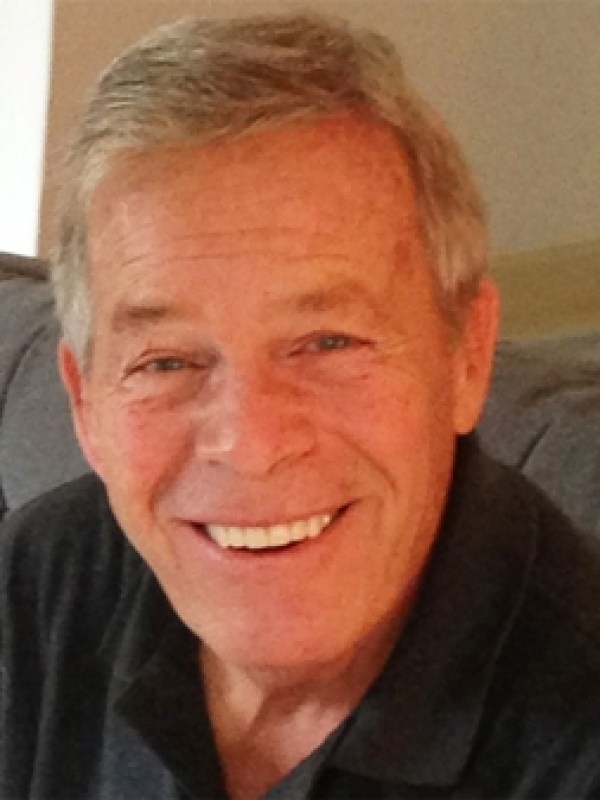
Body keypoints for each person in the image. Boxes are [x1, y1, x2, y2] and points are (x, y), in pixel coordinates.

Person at [1, 12, 599, 800]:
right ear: (86, 404)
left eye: (328, 342)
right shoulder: (44, 583)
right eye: (167, 361)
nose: (251, 443)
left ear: (467, 355)